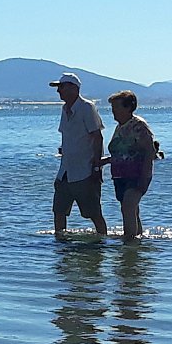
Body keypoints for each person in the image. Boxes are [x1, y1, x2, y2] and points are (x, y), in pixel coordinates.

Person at [50, 72, 108, 237]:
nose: (58, 91)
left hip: (85, 171)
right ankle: (61, 244)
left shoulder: (87, 107)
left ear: (73, 88)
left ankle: (101, 242)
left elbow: (97, 137)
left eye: (61, 87)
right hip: (65, 172)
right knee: (59, 211)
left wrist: (96, 167)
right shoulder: (64, 109)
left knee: (94, 213)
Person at [98, 90, 156, 243]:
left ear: (128, 107)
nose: (113, 112)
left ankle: (129, 244)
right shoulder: (120, 127)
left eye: (116, 108)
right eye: (112, 108)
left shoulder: (138, 126)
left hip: (136, 176)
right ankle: (137, 242)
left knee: (128, 208)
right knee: (133, 210)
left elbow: (150, 152)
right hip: (120, 177)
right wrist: (104, 161)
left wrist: (145, 177)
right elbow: (122, 153)